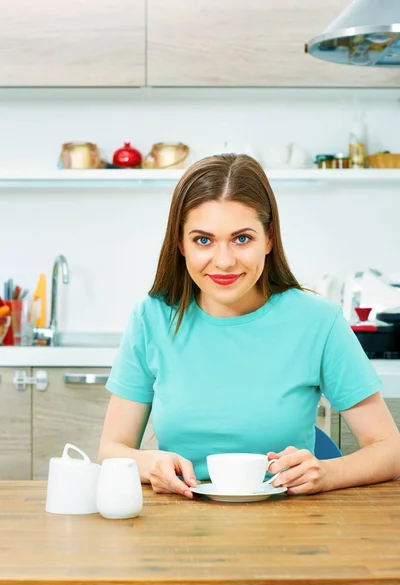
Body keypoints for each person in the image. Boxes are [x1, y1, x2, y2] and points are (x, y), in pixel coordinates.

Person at [98, 154, 400, 498]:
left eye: (242, 238)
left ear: (268, 239)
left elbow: (389, 449)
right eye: (203, 240)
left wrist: (328, 472)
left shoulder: (319, 321)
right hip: (177, 526)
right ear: (180, 243)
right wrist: (149, 464)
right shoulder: (151, 318)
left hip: (290, 525)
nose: (224, 261)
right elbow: (111, 450)